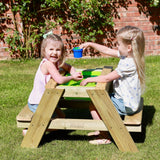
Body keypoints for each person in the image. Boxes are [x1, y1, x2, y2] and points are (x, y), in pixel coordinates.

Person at [80, 26, 145, 145]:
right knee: (102, 97)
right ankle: (100, 129)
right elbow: (107, 51)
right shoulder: (130, 56)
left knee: (94, 104)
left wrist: (89, 79)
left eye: (119, 44)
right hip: (130, 101)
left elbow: (106, 78)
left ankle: (104, 135)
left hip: (126, 105)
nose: (117, 47)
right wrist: (90, 44)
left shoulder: (128, 64)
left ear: (129, 47)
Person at [23, 32, 83, 136]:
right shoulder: (48, 64)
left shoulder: (57, 62)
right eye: (51, 49)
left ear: (62, 51)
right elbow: (60, 80)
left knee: (62, 118)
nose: (54, 53)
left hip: (48, 98)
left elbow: (69, 67)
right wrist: (72, 77)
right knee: (57, 124)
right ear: (44, 51)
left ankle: (39, 124)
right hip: (38, 102)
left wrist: (73, 72)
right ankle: (31, 129)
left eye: (58, 50)